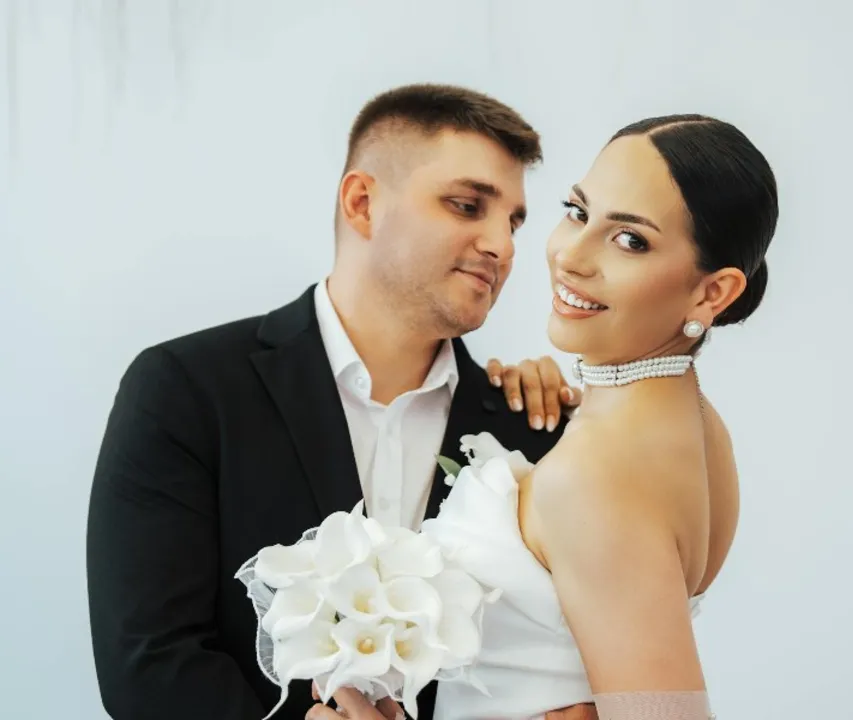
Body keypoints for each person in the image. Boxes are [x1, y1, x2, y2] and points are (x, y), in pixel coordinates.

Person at [85, 83, 583, 720]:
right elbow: (147, 663)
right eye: (467, 206)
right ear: (362, 203)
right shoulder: (187, 389)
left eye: (512, 223)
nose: (503, 246)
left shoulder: (534, 430)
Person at [305, 113, 777, 720]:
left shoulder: (595, 474)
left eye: (630, 240)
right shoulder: (701, 431)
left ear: (713, 293)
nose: (569, 256)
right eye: (578, 212)